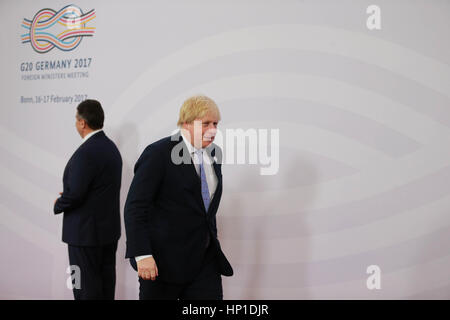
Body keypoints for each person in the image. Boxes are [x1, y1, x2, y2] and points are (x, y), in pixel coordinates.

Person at [124, 95, 233, 300]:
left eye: (216, 124)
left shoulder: (213, 156)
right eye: (206, 123)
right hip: (161, 264)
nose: (213, 130)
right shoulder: (158, 153)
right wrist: (142, 254)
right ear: (186, 123)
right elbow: (135, 207)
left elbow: (205, 210)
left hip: (204, 262)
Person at [54, 99, 122, 300]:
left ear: (82, 123)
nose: (76, 124)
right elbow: (94, 189)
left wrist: (59, 203)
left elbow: (75, 193)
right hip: (107, 233)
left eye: (76, 119)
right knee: (105, 289)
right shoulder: (111, 149)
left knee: (85, 292)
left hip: (84, 236)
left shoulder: (86, 152)